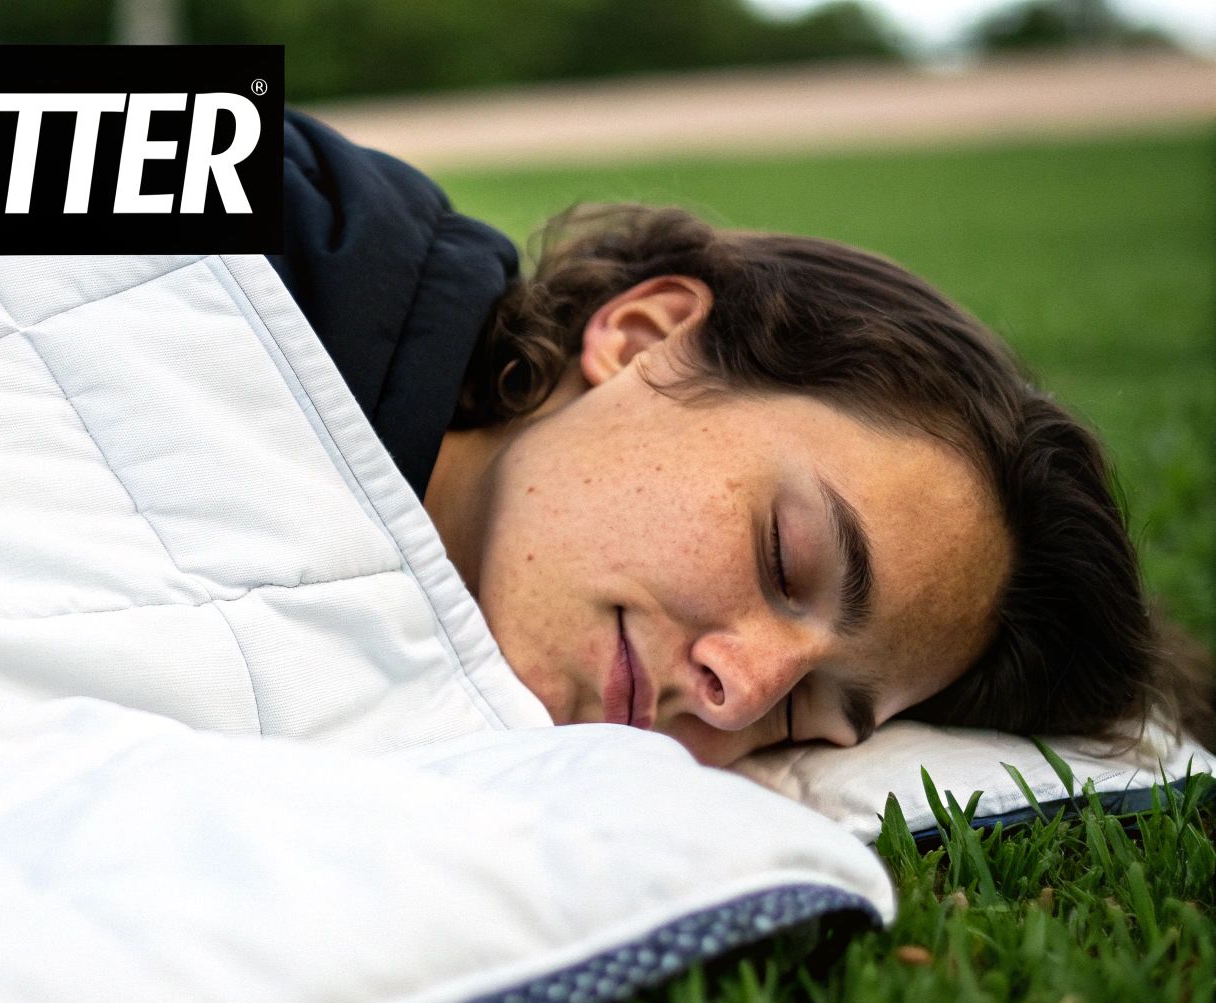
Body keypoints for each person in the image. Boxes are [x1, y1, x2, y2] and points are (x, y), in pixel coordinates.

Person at [270, 111, 1212, 767]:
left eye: (806, 716)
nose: (745, 693)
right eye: (784, 558)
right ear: (642, 339)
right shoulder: (263, 188)